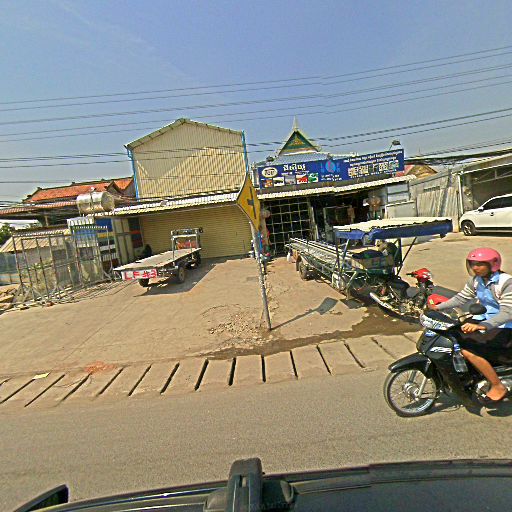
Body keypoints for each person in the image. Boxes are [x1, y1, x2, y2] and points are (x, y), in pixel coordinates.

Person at [430, 248, 512, 403]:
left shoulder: (506, 282)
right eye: (473, 264)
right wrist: (438, 307)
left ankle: (497, 385)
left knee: (466, 347)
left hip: (504, 327)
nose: (475, 267)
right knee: (452, 334)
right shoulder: (476, 280)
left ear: (493, 264)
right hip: (484, 320)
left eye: (480, 264)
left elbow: (508, 312)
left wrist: (483, 325)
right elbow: (461, 298)